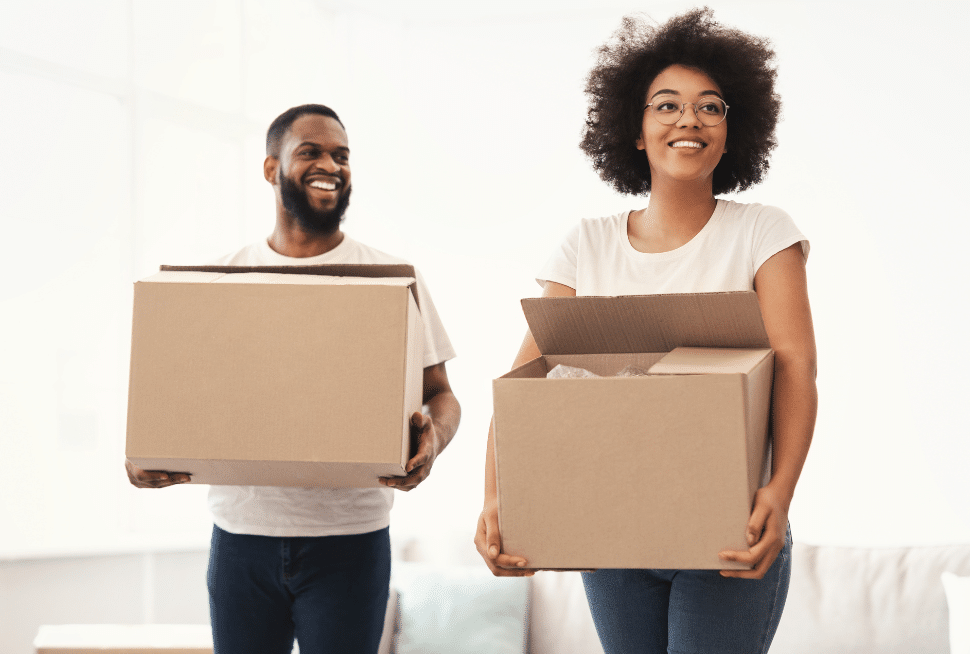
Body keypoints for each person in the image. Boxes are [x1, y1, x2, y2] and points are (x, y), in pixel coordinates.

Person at [474, 8, 816, 654]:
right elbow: (524, 384)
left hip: (728, 529)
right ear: (634, 129)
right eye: (667, 105)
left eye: (710, 107)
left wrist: (779, 493)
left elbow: (797, 366)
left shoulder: (764, 233)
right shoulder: (587, 246)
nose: (689, 119)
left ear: (731, 131)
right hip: (614, 534)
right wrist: (496, 498)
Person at [125, 103, 461, 654]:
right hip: (241, 541)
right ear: (270, 168)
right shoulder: (223, 280)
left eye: (341, 155)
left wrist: (435, 440)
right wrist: (146, 448)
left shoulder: (392, 279)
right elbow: (176, 396)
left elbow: (441, 395)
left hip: (350, 542)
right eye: (310, 151)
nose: (330, 163)